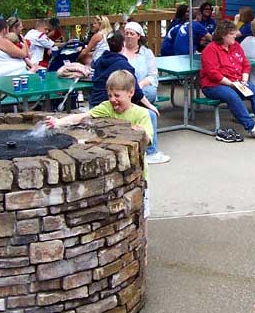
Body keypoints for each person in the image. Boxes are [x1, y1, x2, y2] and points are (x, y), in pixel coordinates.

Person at [44, 70, 153, 218]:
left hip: (136, 171)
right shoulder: (106, 107)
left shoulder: (141, 114)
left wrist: (143, 133)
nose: (113, 99)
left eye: (117, 95)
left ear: (131, 92)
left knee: (140, 211)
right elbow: (82, 117)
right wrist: (59, 122)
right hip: (114, 169)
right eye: (110, 95)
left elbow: (147, 141)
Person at [200, 19, 255, 142]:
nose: (236, 35)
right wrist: (231, 84)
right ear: (223, 35)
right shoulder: (210, 50)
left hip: (237, 82)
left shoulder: (236, 46)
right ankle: (252, 128)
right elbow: (213, 73)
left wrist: (244, 78)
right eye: (232, 33)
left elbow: (245, 64)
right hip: (214, 85)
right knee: (232, 95)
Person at [90, 31, 170, 164]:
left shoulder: (100, 61)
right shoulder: (124, 65)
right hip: (111, 103)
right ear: (123, 45)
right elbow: (137, 92)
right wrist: (150, 106)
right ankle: (151, 152)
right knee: (150, 114)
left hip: (95, 102)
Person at [122, 21, 159, 104]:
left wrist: (139, 86)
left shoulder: (147, 53)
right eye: (126, 33)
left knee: (151, 92)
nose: (128, 36)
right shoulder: (119, 51)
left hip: (141, 88)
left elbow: (153, 76)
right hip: (122, 88)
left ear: (138, 36)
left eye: (132, 34)